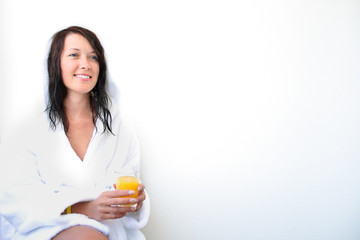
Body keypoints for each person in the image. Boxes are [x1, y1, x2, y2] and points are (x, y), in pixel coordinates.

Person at [0, 26, 150, 240]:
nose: (86, 64)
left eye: (93, 57)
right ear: (55, 63)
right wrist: (84, 208)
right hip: (44, 228)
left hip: (108, 228)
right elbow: (16, 198)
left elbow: (127, 181)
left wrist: (134, 200)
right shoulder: (26, 127)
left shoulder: (119, 127)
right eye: (74, 55)